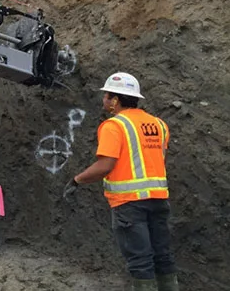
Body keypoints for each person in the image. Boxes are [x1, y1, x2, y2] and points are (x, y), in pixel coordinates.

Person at [64, 73, 178, 291]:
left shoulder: (114, 126)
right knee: (163, 257)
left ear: (115, 100)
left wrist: (77, 180)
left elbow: (105, 166)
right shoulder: (159, 125)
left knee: (141, 261)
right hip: (159, 200)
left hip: (129, 204)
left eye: (106, 95)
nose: (104, 100)